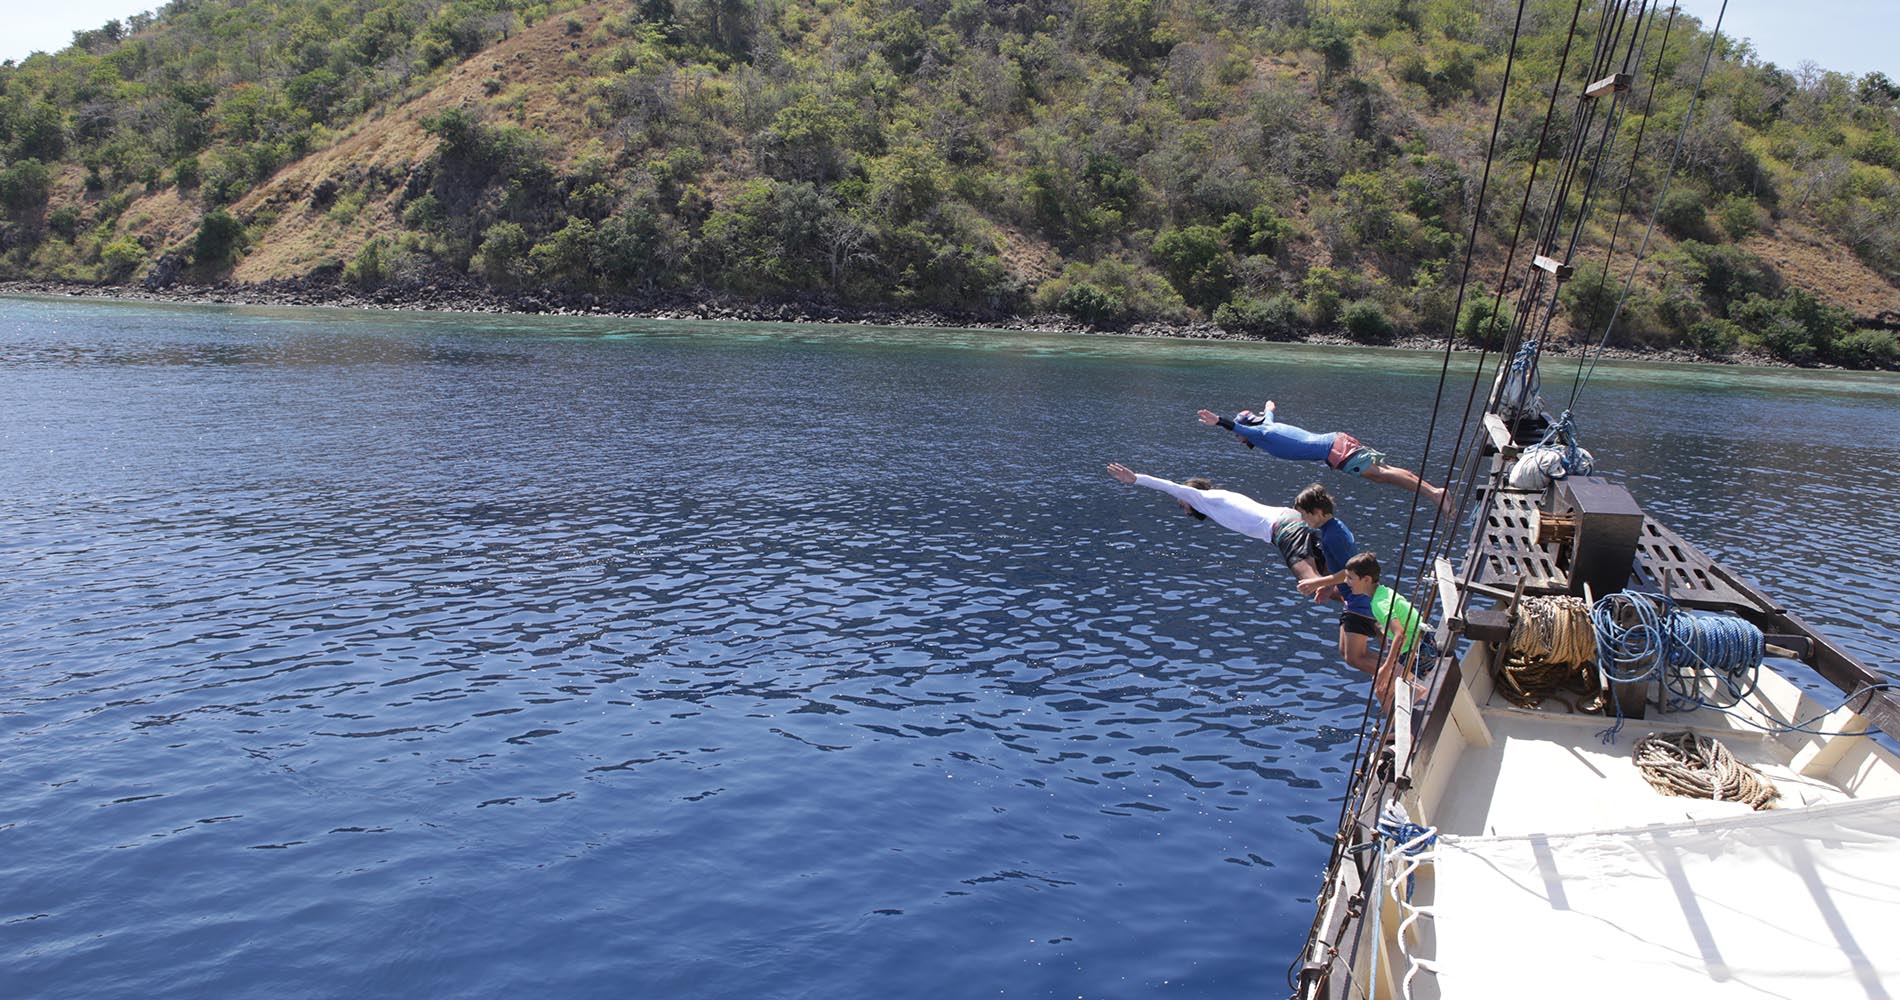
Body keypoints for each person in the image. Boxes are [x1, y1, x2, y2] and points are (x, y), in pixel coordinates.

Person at [1196, 400, 1450, 514]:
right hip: (1336, 442)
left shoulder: (1260, 433)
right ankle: (1433, 491)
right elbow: (1269, 412)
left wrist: (1217, 421)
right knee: (1383, 474)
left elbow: (1235, 427)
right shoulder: (1267, 426)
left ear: (1249, 428)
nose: (1239, 440)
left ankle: (1435, 494)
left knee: (1381, 475)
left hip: (1335, 451)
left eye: (1241, 436)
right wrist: (1268, 407)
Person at [1105, 463, 1323, 586]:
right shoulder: (1218, 500)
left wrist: (1136, 479)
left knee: (1311, 584)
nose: (1183, 508)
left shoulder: (1204, 498)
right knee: (1331, 578)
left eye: (1182, 504)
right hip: (1292, 522)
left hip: (1284, 529)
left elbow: (1170, 487)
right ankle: (1355, 602)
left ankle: (1352, 608)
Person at [1334, 551, 1431, 714]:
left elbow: (1400, 635)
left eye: (1350, 578)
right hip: (1421, 645)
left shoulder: (1380, 603)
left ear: (1366, 579)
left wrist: (1386, 668)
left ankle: (1398, 730)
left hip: (1420, 651)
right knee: (1380, 681)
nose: (1346, 582)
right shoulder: (1381, 593)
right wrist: (1381, 631)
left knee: (1381, 688)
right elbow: (1394, 623)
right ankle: (1415, 691)